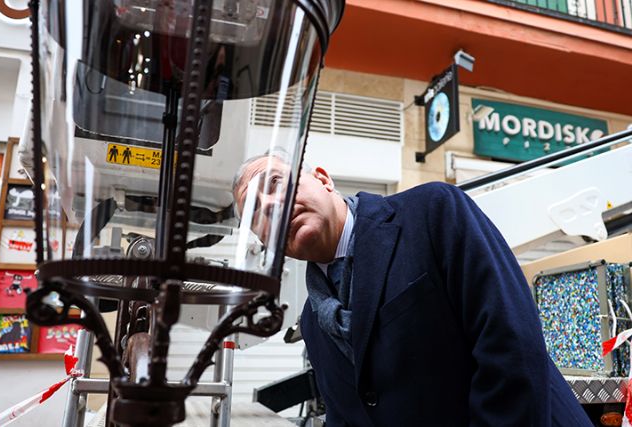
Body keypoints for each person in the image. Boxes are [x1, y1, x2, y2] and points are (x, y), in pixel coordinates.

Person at [232, 153, 593, 426]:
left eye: (276, 184)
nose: (273, 208)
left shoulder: (433, 212)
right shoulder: (313, 322)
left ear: (324, 180)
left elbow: (511, 344)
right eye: (256, 214)